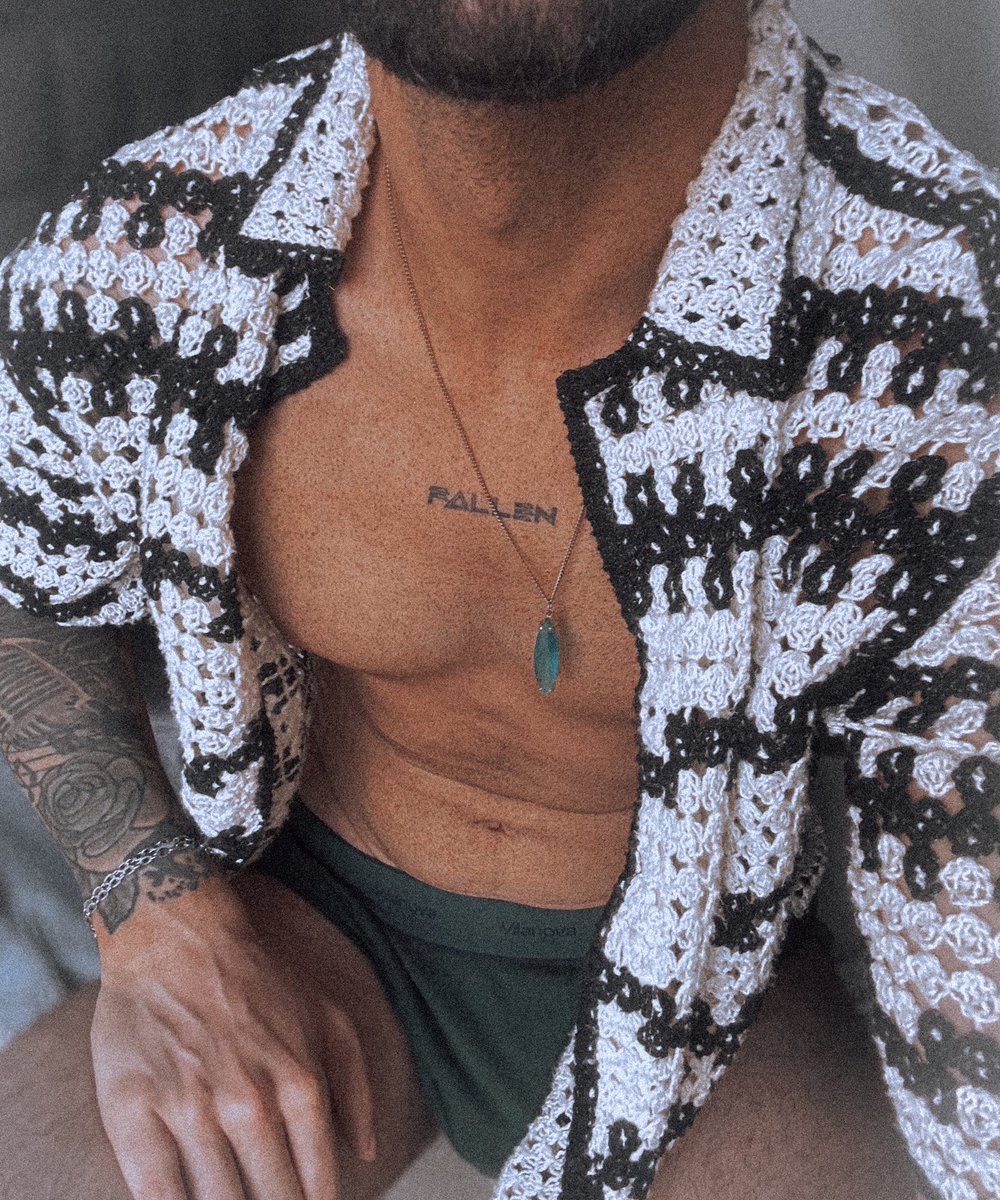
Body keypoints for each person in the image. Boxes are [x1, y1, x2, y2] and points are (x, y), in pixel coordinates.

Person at [0, 1, 996, 1198]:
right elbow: (29, 565)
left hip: (739, 985)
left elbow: (966, 944)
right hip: (332, 915)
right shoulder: (153, 244)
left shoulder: (936, 338)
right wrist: (154, 915)